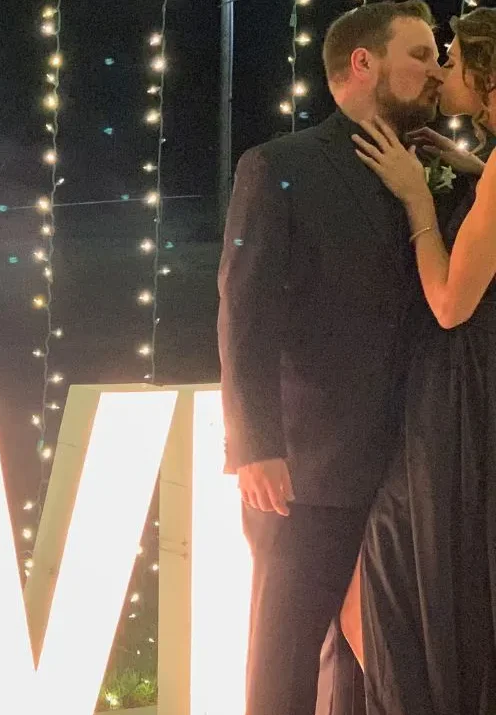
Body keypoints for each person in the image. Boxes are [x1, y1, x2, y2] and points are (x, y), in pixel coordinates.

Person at [217, 2, 442, 713]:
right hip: (308, 474)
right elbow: (244, 312)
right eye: (420, 55)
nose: (435, 72)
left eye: (438, 58)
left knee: (389, 667)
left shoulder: (429, 173)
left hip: (411, 473)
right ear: (362, 63)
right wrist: (255, 445)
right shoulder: (279, 166)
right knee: (284, 659)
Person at [338, 8, 496, 714]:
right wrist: (467, 169)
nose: (440, 70)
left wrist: (415, 200)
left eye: (453, 57)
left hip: (460, 397)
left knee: (406, 562)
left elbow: (449, 301)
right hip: (469, 388)